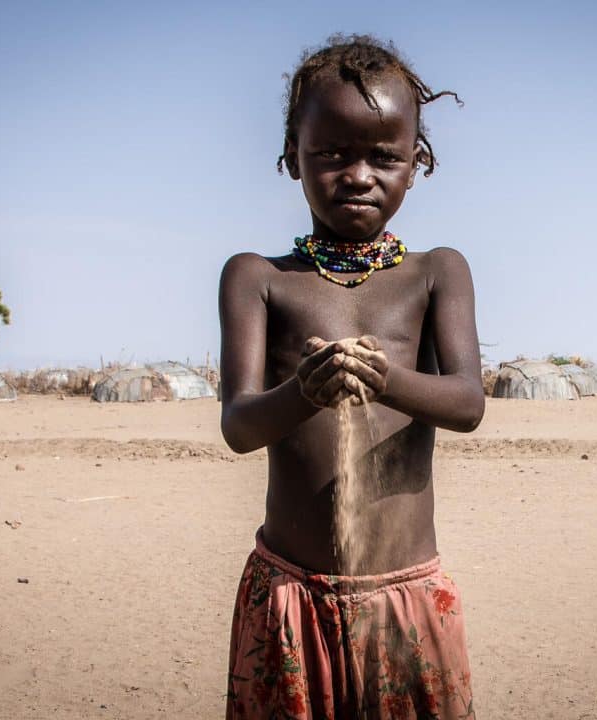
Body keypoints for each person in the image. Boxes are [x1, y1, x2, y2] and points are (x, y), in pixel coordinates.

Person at [220, 34, 484, 720]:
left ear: (416, 162)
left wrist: (386, 379)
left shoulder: (436, 273)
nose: (359, 174)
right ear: (291, 160)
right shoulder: (259, 278)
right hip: (289, 594)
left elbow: (465, 403)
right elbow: (239, 425)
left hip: (405, 597)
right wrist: (302, 392)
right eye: (331, 154)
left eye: (384, 156)